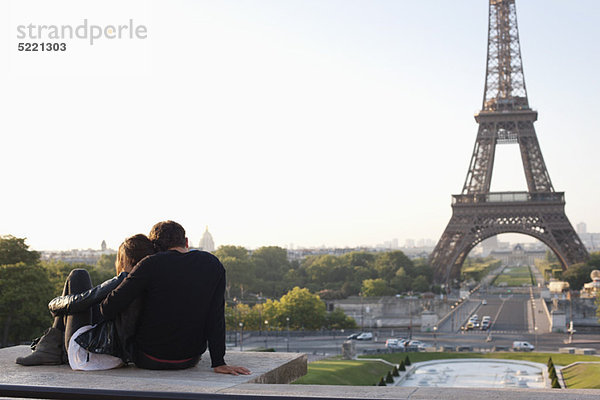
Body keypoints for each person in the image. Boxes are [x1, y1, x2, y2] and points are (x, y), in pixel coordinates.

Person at [101, 220, 250, 375]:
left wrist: (123, 277)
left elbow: (108, 308)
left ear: (155, 247)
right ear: (185, 241)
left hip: (147, 357)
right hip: (190, 358)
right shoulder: (213, 264)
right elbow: (216, 316)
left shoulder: (150, 264)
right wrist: (219, 362)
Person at [16, 234, 155, 367]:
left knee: (78, 275)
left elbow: (82, 301)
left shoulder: (126, 278)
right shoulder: (152, 282)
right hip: (119, 356)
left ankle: (49, 348)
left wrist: (55, 303)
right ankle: (49, 348)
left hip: (91, 355)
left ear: (125, 260)